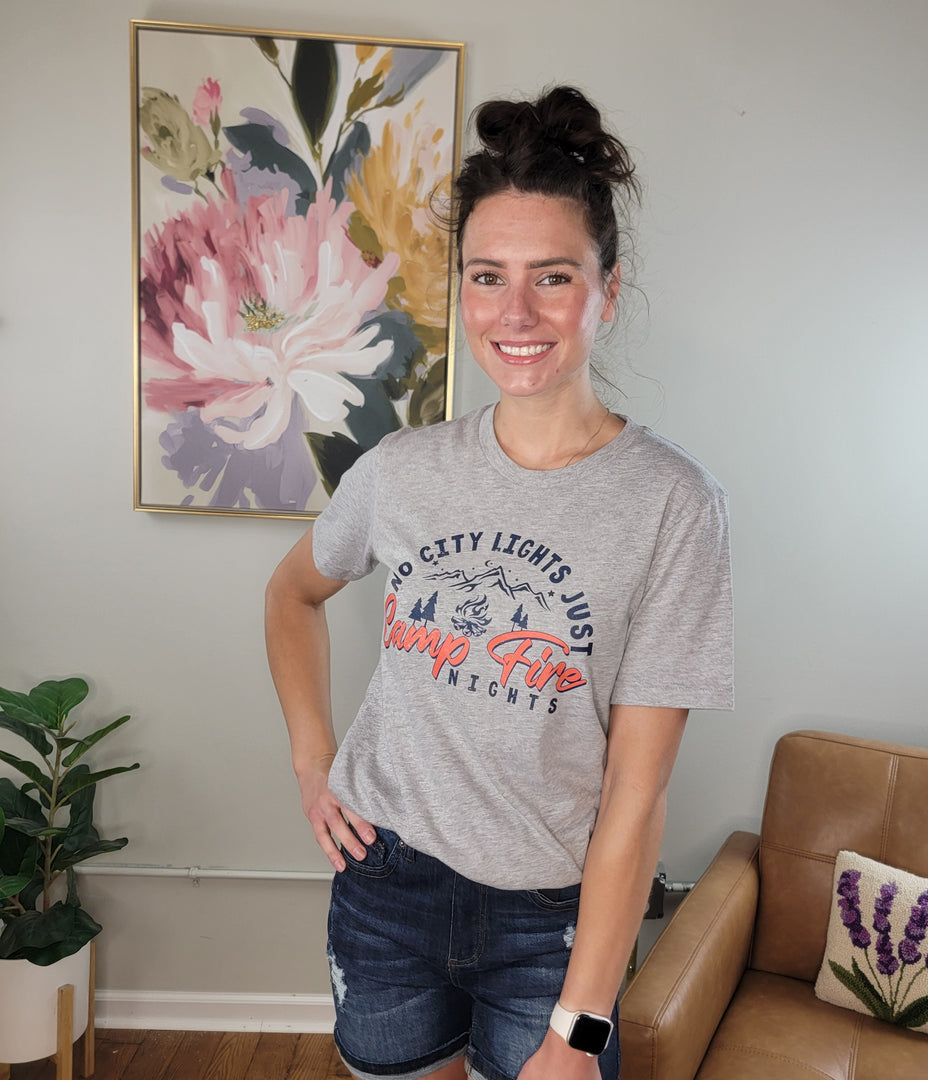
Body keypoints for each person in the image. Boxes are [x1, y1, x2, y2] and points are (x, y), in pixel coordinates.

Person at [265, 85, 733, 1080]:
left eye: (552, 276)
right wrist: (313, 763)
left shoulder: (671, 506)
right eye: (487, 277)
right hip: (383, 886)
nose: (515, 313)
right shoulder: (403, 469)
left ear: (607, 285)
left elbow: (636, 799)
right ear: (464, 290)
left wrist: (583, 1026)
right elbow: (291, 595)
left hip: (552, 922)